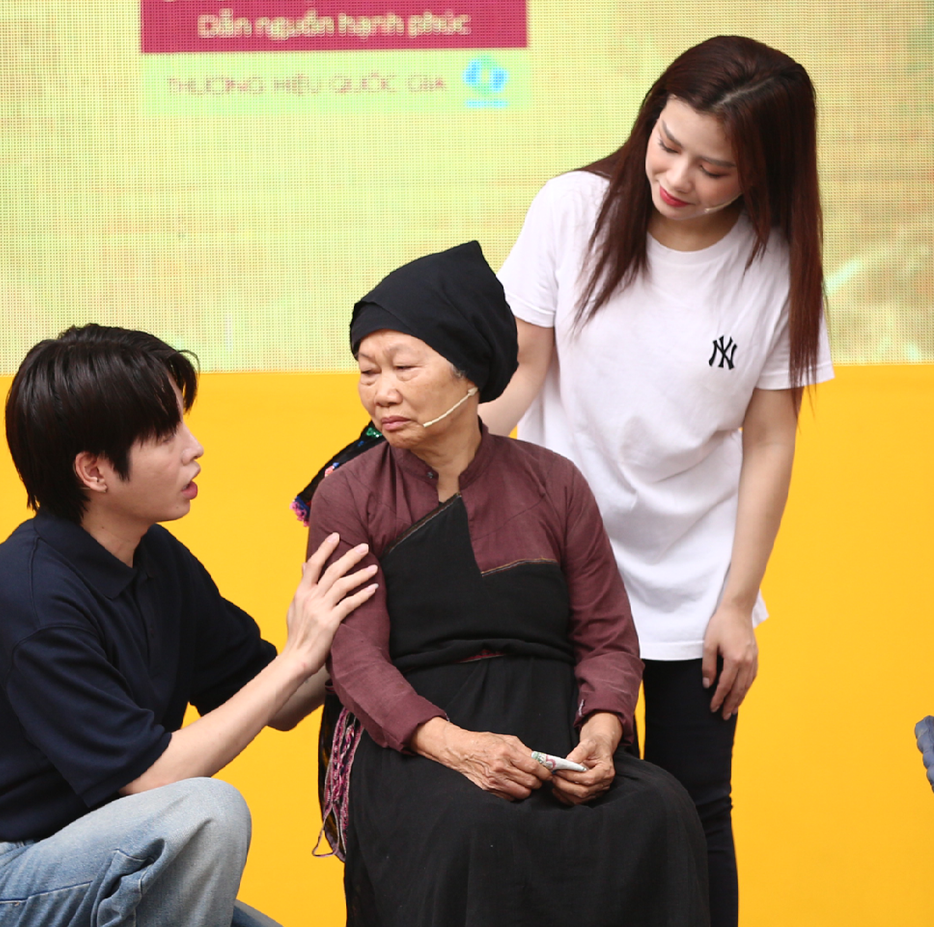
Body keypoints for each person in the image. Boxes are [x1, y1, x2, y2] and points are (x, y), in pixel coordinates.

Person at [481, 36, 834, 927]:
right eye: (668, 144)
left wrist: (736, 603)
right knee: (570, 801)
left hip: (693, 587)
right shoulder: (573, 209)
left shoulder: (776, 264)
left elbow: (770, 438)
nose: (678, 177)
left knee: (694, 808)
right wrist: (424, 442)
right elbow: (521, 375)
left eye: (715, 168)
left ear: (765, 171)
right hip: (561, 574)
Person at [0, 324, 378, 927]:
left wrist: (366, 619)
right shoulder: (27, 591)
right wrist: (296, 657)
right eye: (165, 434)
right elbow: (154, 777)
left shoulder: (157, 558)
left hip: (99, 860)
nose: (195, 447)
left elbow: (279, 702)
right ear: (94, 471)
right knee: (206, 812)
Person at [302, 242, 709, 927]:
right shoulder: (349, 495)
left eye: (404, 366)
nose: (381, 391)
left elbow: (607, 637)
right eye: (366, 371)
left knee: (661, 809)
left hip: (553, 730)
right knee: (475, 827)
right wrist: (460, 747)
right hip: (419, 743)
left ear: (470, 370)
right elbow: (357, 659)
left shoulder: (555, 482)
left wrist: (602, 733)